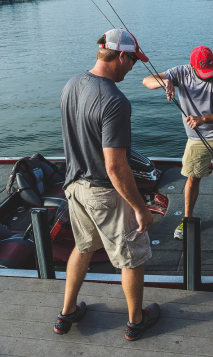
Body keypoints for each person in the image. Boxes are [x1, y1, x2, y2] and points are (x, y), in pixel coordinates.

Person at [57, 28, 161, 341]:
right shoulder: (115, 101)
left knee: (83, 247)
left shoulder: (72, 84)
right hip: (103, 192)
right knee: (132, 257)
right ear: (121, 56)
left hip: (74, 187)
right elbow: (115, 167)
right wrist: (140, 209)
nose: (132, 68)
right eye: (133, 61)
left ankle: (68, 313)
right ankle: (136, 320)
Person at [142, 46, 213, 240]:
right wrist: (165, 82)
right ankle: (187, 219)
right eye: (203, 72)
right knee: (192, 178)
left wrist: (203, 119)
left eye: (210, 70)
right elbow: (146, 81)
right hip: (196, 138)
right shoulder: (180, 72)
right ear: (192, 67)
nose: (208, 75)